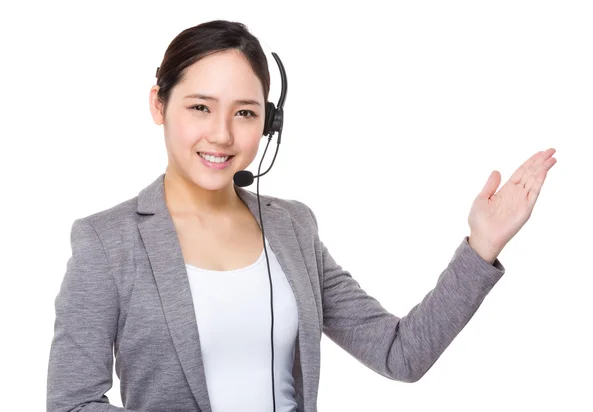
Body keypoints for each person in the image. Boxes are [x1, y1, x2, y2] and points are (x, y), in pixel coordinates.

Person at [46, 20, 557, 412]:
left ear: (268, 123)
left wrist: (481, 246)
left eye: (245, 112)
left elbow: (400, 354)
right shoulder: (106, 242)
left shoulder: (292, 227)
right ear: (160, 105)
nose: (222, 134)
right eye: (200, 107)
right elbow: (71, 401)